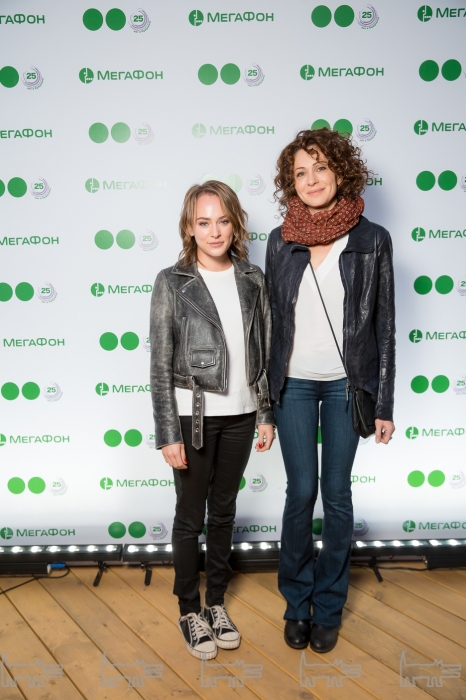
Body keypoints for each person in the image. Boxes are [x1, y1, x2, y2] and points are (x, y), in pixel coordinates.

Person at [265, 128, 395, 653]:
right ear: (290, 183)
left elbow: (384, 325)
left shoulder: (372, 238)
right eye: (301, 172)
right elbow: (270, 324)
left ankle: (329, 606)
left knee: (337, 496)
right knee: (301, 493)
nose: (311, 179)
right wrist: (264, 403)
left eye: (320, 167)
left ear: (341, 171)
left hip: (347, 385)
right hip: (293, 383)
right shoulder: (281, 240)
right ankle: (297, 604)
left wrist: (383, 402)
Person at [150, 180, 275, 660]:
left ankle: (216, 602)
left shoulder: (253, 277)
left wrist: (265, 412)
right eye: (204, 222)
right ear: (189, 227)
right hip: (193, 417)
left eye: (223, 220)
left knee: (224, 511)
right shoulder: (172, 281)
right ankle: (189, 609)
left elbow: (263, 351)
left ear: (236, 224)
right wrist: (168, 432)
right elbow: (160, 365)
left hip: (242, 416)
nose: (215, 231)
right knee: (190, 516)